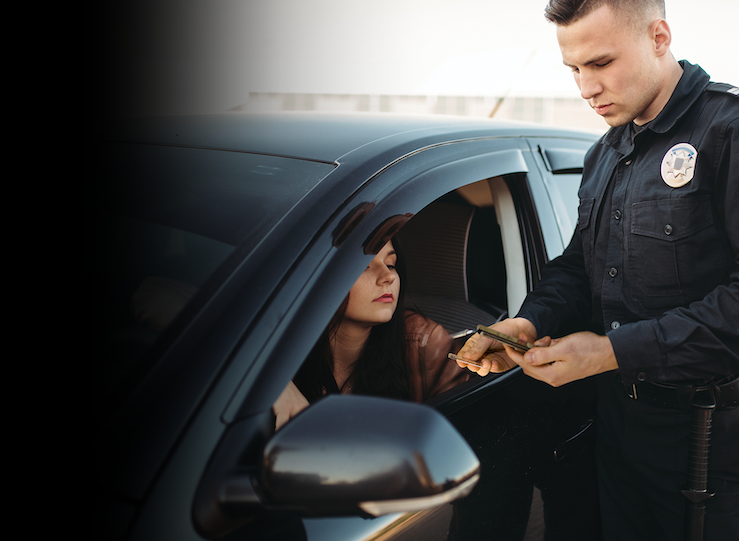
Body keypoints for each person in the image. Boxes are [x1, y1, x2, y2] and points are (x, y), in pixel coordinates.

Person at [456, 1, 739, 540]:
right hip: (614, 426)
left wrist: (611, 352)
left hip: (710, 442)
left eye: (602, 63)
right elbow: (579, 267)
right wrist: (530, 321)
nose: (586, 88)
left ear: (659, 37)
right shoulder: (606, 153)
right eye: (574, 70)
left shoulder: (728, 133)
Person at [273, 238, 470, 429]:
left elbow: (462, 434)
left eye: (391, 264)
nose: (388, 276)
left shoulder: (424, 343)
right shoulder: (275, 350)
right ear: (320, 277)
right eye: (364, 265)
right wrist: (277, 387)